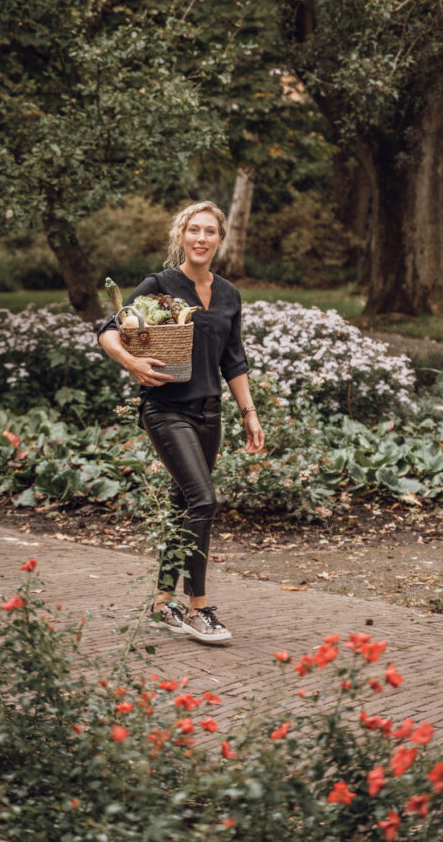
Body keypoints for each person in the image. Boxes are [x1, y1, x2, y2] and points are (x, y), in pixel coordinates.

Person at [98, 201, 264, 644]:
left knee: (182, 505)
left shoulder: (228, 293)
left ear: (220, 239)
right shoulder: (159, 286)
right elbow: (108, 330)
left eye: (210, 231)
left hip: (209, 413)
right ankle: (198, 608)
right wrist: (132, 362)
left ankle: (160, 605)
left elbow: (234, 359)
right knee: (203, 500)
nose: (201, 239)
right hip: (166, 409)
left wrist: (249, 412)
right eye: (194, 230)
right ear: (181, 235)